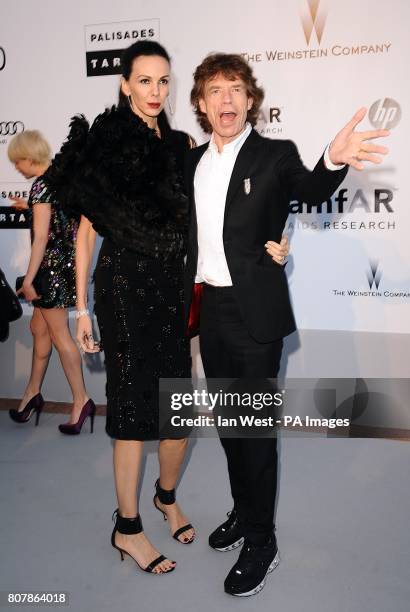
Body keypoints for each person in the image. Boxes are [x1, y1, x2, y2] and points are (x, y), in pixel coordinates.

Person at [184, 53, 390, 597]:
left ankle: (262, 540)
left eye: (234, 89)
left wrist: (332, 158)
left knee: (252, 430)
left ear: (250, 100)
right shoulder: (191, 164)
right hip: (210, 312)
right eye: (214, 91)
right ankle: (243, 510)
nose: (225, 100)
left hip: (255, 318)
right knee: (230, 427)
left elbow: (311, 187)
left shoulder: (275, 155)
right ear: (201, 105)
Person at [7, 130, 95, 433]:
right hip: (65, 269)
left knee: (60, 337)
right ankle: (32, 394)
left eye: (18, 162)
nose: (17, 167)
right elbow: (55, 222)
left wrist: (29, 280)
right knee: (38, 329)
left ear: (29, 158)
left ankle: (81, 400)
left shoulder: (41, 186)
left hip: (50, 274)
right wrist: (29, 208)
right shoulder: (60, 181)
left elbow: (42, 238)